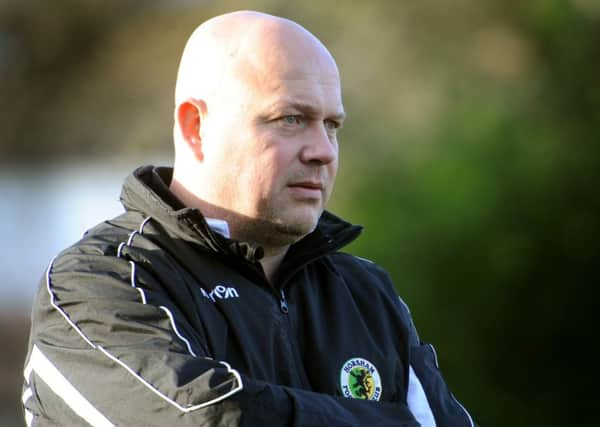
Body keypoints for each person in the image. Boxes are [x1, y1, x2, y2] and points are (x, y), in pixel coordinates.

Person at [22, 10, 476, 427]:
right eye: (290, 119)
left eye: (332, 125)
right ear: (196, 127)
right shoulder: (98, 283)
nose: (323, 150)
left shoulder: (365, 294)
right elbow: (204, 419)